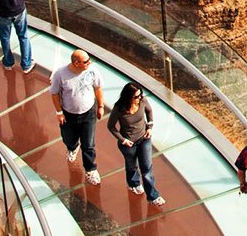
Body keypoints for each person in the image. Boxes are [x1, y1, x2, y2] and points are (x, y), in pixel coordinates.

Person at [51, 49, 105, 185]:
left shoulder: (92, 71)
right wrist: (59, 113)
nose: (89, 63)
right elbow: (55, 94)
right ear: (76, 63)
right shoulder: (60, 74)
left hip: (88, 113)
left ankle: (90, 169)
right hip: (69, 114)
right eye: (85, 61)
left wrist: (100, 106)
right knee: (68, 138)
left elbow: (98, 88)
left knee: (89, 144)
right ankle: (72, 147)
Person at [106, 82, 164, 206]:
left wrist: (150, 127)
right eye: (136, 97)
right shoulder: (119, 108)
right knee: (132, 166)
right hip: (129, 144)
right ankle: (134, 184)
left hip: (144, 139)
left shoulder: (143, 101)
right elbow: (111, 126)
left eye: (140, 95)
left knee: (147, 168)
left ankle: (153, 197)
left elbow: (149, 111)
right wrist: (123, 140)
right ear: (128, 97)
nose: (139, 98)